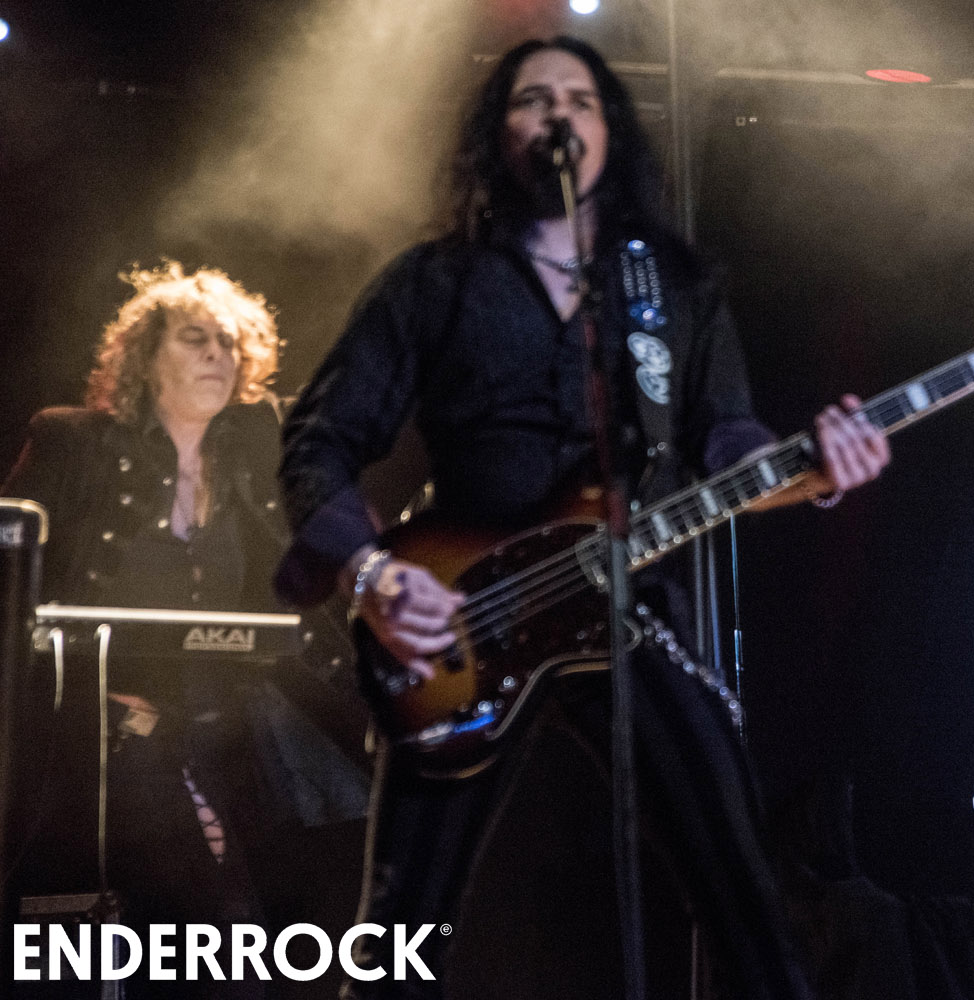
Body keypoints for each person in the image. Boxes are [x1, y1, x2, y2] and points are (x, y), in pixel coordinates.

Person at [274, 35, 889, 1000]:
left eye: (581, 99)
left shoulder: (672, 286)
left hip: (629, 607)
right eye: (533, 99)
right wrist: (373, 575)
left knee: (749, 901)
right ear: (498, 133)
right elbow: (319, 441)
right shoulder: (434, 281)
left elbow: (724, 439)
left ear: (611, 132)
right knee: (398, 935)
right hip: (461, 618)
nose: (558, 113)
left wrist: (815, 473)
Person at [3, 261, 369, 997]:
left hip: (235, 727)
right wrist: (83, 701)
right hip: (111, 728)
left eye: (229, 342)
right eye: (195, 338)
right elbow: (12, 590)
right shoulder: (73, 442)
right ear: (146, 358)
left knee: (289, 928)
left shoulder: (253, 456)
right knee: (220, 937)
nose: (216, 354)